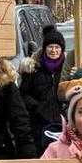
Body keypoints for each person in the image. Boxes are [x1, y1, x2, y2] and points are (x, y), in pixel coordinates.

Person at [19, 27, 66, 155]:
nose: (54, 50)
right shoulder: (33, 68)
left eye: (57, 47)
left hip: (62, 124)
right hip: (38, 124)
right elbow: (22, 94)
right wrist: (37, 106)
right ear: (45, 48)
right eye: (50, 47)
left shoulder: (66, 70)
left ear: (62, 49)